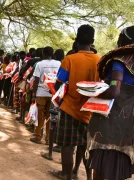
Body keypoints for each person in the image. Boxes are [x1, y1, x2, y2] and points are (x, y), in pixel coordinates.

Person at [87, 26, 134, 180]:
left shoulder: (119, 62)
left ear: (123, 39)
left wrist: (95, 92)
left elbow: (114, 91)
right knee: (118, 166)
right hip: (128, 124)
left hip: (110, 121)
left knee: (101, 164)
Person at [51, 25, 100, 180]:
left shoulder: (69, 60)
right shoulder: (101, 61)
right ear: (92, 41)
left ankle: (66, 174)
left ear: (77, 41)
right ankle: (82, 174)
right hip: (90, 111)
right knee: (84, 146)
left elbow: (58, 84)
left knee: (67, 145)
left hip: (70, 109)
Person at [30, 46, 61, 145]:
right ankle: (48, 138)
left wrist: (34, 94)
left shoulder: (40, 64)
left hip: (41, 93)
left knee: (40, 115)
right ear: (52, 54)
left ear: (43, 53)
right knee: (49, 116)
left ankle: (38, 136)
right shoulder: (58, 63)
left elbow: (36, 80)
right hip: (53, 93)